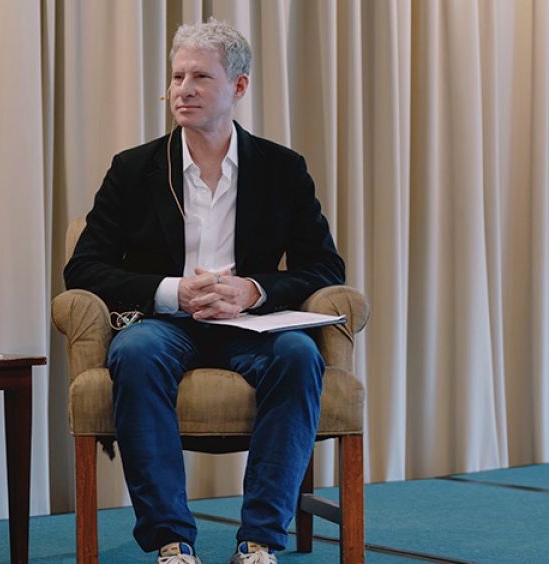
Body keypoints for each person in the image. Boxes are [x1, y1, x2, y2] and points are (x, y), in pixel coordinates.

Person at [63, 20, 346, 564]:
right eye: (175, 77)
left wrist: (254, 289)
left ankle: (259, 539)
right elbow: (84, 269)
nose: (183, 89)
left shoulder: (282, 169)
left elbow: (324, 265)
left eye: (199, 76)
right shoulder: (134, 169)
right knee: (135, 351)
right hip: (168, 325)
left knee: (299, 354)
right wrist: (172, 291)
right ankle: (172, 541)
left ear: (238, 87)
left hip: (250, 328)